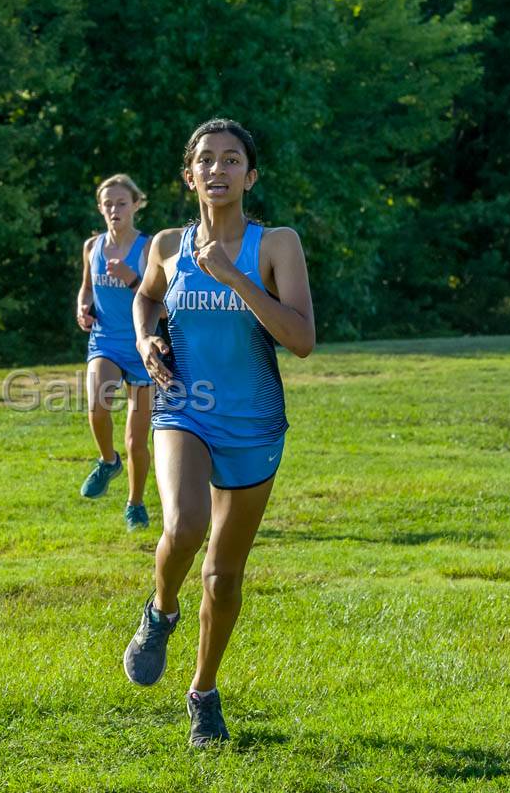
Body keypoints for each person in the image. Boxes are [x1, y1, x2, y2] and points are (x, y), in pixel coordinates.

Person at [122, 119, 315, 747]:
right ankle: (160, 613)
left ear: (250, 176)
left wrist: (235, 277)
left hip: (255, 423)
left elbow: (302, 340)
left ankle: (203, 692)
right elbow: (146, 299)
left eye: (232, 160)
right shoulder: (166, 246)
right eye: (206, 160)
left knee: (224, 575)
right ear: (189, 176)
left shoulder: (276, 245)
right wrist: (147, 336)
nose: (218, 169)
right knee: (183, 526)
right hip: (186, 406)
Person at [75, 174, 155, 531]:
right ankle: (108, 462)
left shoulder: (149, 248)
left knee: (137, 440)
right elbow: (86, 289)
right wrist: (82, 309)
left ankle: (135, 504)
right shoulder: (92, 246)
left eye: (121, 203)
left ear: (136, 205)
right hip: (104, 341)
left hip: (141, 345)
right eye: (107, 204)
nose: (114, 210)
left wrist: (131, 278)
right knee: (97, 406)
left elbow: (161, 302)